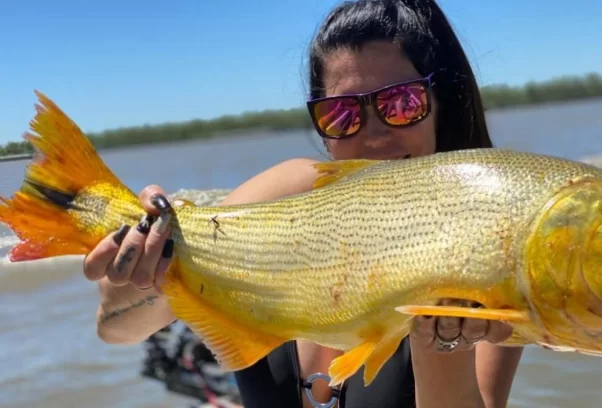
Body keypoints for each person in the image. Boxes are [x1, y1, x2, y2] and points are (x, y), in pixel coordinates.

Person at [83, 0, 524, 407]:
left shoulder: (495, 250)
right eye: (342, 115)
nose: (373, 135)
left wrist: (441, 340)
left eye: (402, 103)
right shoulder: (289, 189)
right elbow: (116, 327)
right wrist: (146, 264)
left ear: (440, 103)